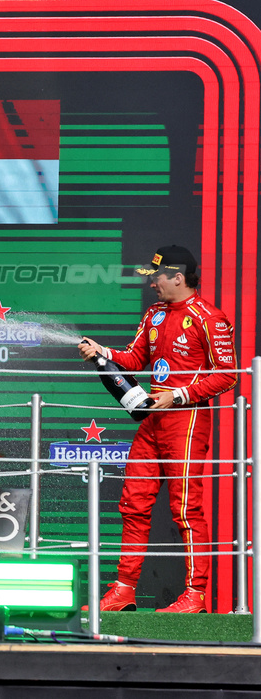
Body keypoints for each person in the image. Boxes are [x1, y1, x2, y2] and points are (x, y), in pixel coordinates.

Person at [78, 245, 237, 613]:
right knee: (133, 502)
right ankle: (123, 589)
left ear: (178, 278)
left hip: (188, 419)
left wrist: (178, 396)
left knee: (185, 508)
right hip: (153, 417)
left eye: (157, 277)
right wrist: (103, 351)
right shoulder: (154, 314)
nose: (152, 283)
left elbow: (228, 376)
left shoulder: (209, 318)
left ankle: (195, 595)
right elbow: (135, 358)